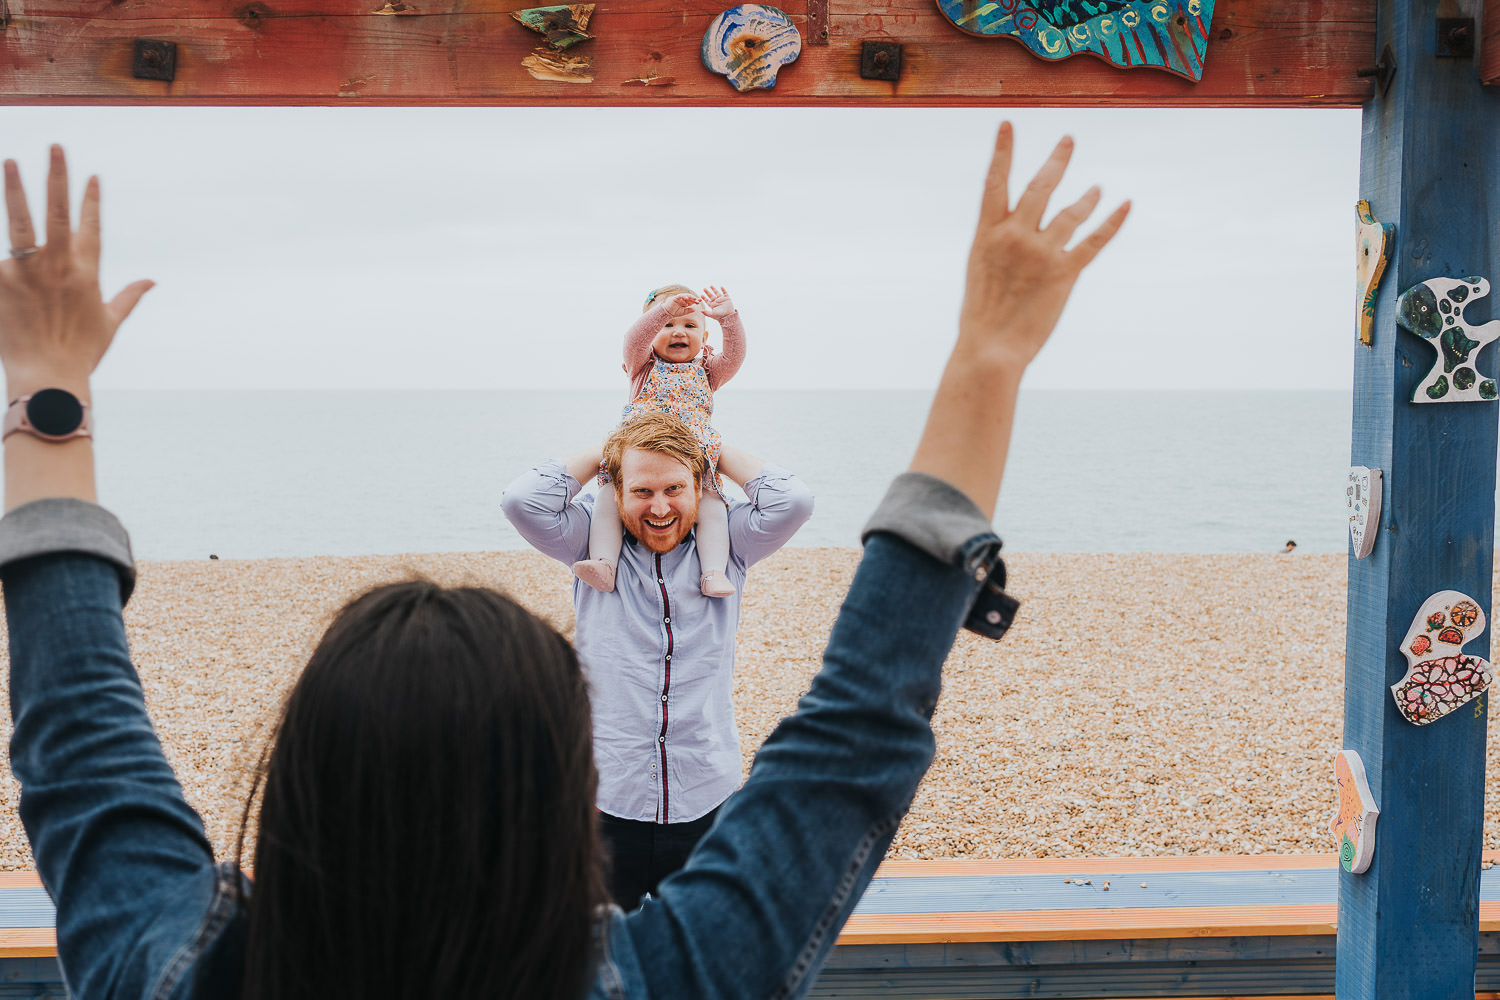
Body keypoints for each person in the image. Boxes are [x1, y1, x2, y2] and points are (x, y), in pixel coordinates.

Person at [0, 126, 1126, 999]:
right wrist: (990, 355)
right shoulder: (667, 975)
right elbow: (855, 738)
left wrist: (53, 399)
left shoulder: (172, 970)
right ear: (558, 805)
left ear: (295, 783)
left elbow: (79, 739)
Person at [502, 406, 812, 908]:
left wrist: (713, 449)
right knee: (594, 961)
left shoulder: (729, 545)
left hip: (705, 801)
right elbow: (521, 501)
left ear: (699, 489)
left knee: (701, 961)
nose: (660, 507)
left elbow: (793, 501)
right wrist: (611, 448)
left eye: (674, 489)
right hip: (605, 801)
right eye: (642, 491)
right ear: (617, 492)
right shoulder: (588, 543)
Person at [572, 284, 745, 598]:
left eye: (689, 325)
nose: (678, 331)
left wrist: (729, 318)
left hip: (691, 464)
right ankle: (604, 563)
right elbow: (633, 339)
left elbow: (735, 356)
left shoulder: (708, 371)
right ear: (651, 334)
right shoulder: (642, 366)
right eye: (667, 325)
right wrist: (663, 310)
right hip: (638, 461)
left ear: (704, 338)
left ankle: (713, 572)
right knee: (608, 497)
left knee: (713, 505)